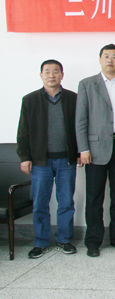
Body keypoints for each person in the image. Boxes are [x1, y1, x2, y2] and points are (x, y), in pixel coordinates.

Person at [76, 44, 115, 257]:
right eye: (106, 56)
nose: (110, 60)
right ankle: (93, 240)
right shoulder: (86, 84)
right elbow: (81, 119)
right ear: (100, 59)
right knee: (94, 197)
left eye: (114, 57)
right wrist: (83, 148)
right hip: (94, 149)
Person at [17, 60, 79, 258]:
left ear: (62, 74)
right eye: (47, 72)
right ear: (41, 75)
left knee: (66, 202)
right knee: (40, 203)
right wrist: (25, 157)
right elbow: (23, 131)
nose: (51, 75)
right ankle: (41, 241)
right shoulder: (30, 100)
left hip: (66, 160)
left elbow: (80, 127)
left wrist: (79, 152)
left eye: (55, 71)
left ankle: (64, 239)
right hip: (39, 162)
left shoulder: (73, 98)